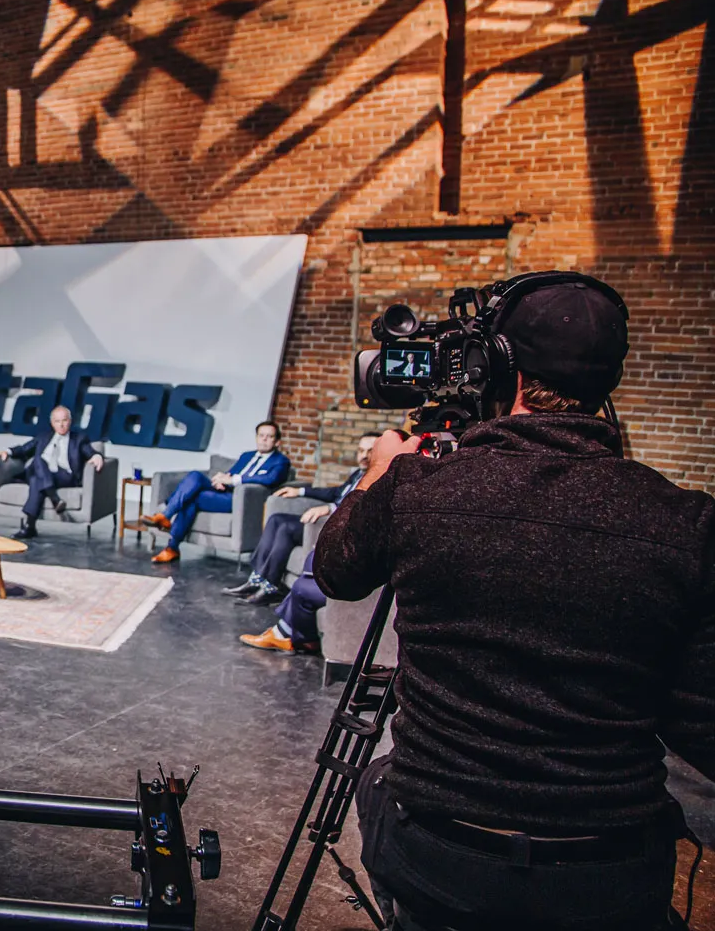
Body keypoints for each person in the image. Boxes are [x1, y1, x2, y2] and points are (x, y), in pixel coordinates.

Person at [314, 277, 715, 930]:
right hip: (610, 872)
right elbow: (700, 726)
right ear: (608, 378)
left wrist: (379, 473)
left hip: (444, 856)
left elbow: (334, 570)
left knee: (377, 780)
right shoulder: (688, 524)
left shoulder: (418, 489)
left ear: (501, 363)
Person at [225, 431, 380, 606]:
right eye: (360, 450)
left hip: (336, 528)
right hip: (328, 520)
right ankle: (256, 578)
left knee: (286, 528)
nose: (364, 456)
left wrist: (331, 508)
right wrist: (300, 491)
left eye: (370, 451)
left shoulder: (378, 479)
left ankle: (271, 587)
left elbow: (361, 506)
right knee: (276, 519)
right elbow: (335, 493)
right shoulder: (358, 474)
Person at [141, 421, 290, 563]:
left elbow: (269, 479)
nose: (263, 439)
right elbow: (231, 474)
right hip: (224, 491)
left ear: (277, 442)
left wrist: (234, 481)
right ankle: (166, 521)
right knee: (195, 476)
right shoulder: (247, 456)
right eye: (261, 435)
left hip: (240, 499)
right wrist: (220, 481)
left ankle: (170, 536)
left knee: (194, 498)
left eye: (269, 436)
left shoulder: (281, 461)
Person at [0, 404, 103, 540]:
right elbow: (24, 448)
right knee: (38, 465)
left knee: (36, 477)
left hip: (63, 476)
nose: (61, 425)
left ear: (70, 421)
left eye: (64, 420)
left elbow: (89, 451)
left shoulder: (79, 439)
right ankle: (54, 499)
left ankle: (30, 527)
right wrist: (8, 451)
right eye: (57, 421)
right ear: (52, 423)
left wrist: (97, 455)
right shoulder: (43, 437)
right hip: (44, 473)